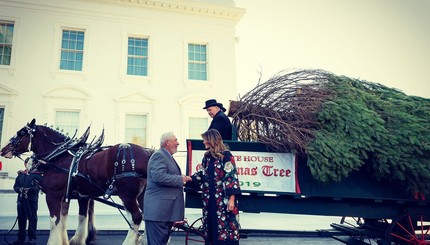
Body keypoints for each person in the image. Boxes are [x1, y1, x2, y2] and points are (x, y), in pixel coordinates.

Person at [189, 129, 241, 244]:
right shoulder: (207, 157)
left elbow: (231, 177)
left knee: (225, 229)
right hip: (210, 201)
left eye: (205, 140)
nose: (203, 142)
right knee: (211, 228)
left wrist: (232, 199)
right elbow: (201, 174)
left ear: (211, 140)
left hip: (223, 201)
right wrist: (188, 179)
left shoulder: (226, 156)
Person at [143, 132, 192, 245]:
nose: (178, 143)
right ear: (167, 143)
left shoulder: (165, 156)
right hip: (158, 213)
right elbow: (158, 176)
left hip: (163, 213)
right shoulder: (159, 155)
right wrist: (182, 179)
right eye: (175, 140)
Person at [12, 160, 43, 245]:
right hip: (21, 200)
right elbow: (15, 186)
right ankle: (21, 238)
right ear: (25, 164)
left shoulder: (37, 175)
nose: (29, 165)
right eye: (27, 163)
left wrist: (29, 190)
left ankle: (32, 238)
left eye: (31, 163)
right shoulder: (20, 175)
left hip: (31, 201)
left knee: (32, 218)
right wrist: (20, 189)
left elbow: (39, 187)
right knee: (21, 218)